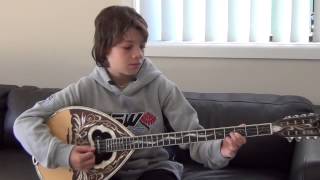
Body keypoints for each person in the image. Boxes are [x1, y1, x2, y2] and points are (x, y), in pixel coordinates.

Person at [13, 5, 246, 180]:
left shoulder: (161, 87)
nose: (138, 54)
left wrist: (221, 151)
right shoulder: (84, 89)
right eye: (127, 47)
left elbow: (193, 137)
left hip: (154, 169)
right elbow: (24, 122)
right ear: (105, 49)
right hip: (103, 173)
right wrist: (65, 154)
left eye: (141, 47)